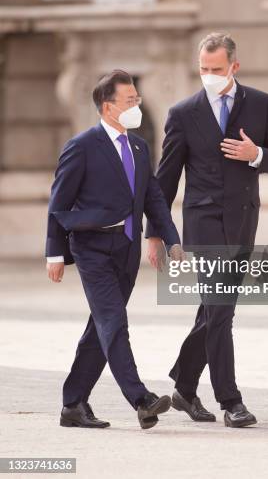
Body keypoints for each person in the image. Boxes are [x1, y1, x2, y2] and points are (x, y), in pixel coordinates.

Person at [146, 33, 268, 428]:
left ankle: (184, 385)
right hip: (203, 221)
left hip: (244, 219)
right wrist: (156, 232)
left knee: (214, 309)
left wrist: (257, 155)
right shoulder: (183, 113)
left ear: (234, 66)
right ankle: (231, 401)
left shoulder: (262, 105)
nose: (209, 75)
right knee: (222, 311)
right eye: (203, 69)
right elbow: (166, 179)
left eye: (216, 69)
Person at [45, 69, 183, 430]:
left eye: (137, 99)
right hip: (91, 249)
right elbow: (58, 204)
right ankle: (142, 400)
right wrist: (54, 254)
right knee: (113, 321)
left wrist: (171, 238)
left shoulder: (138, 146)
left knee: (101, 328)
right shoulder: (81, 146)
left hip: (126, 248)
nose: (137, 105)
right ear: (108, 107)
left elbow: (152, 196)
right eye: (130, 101)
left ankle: (73, 405)